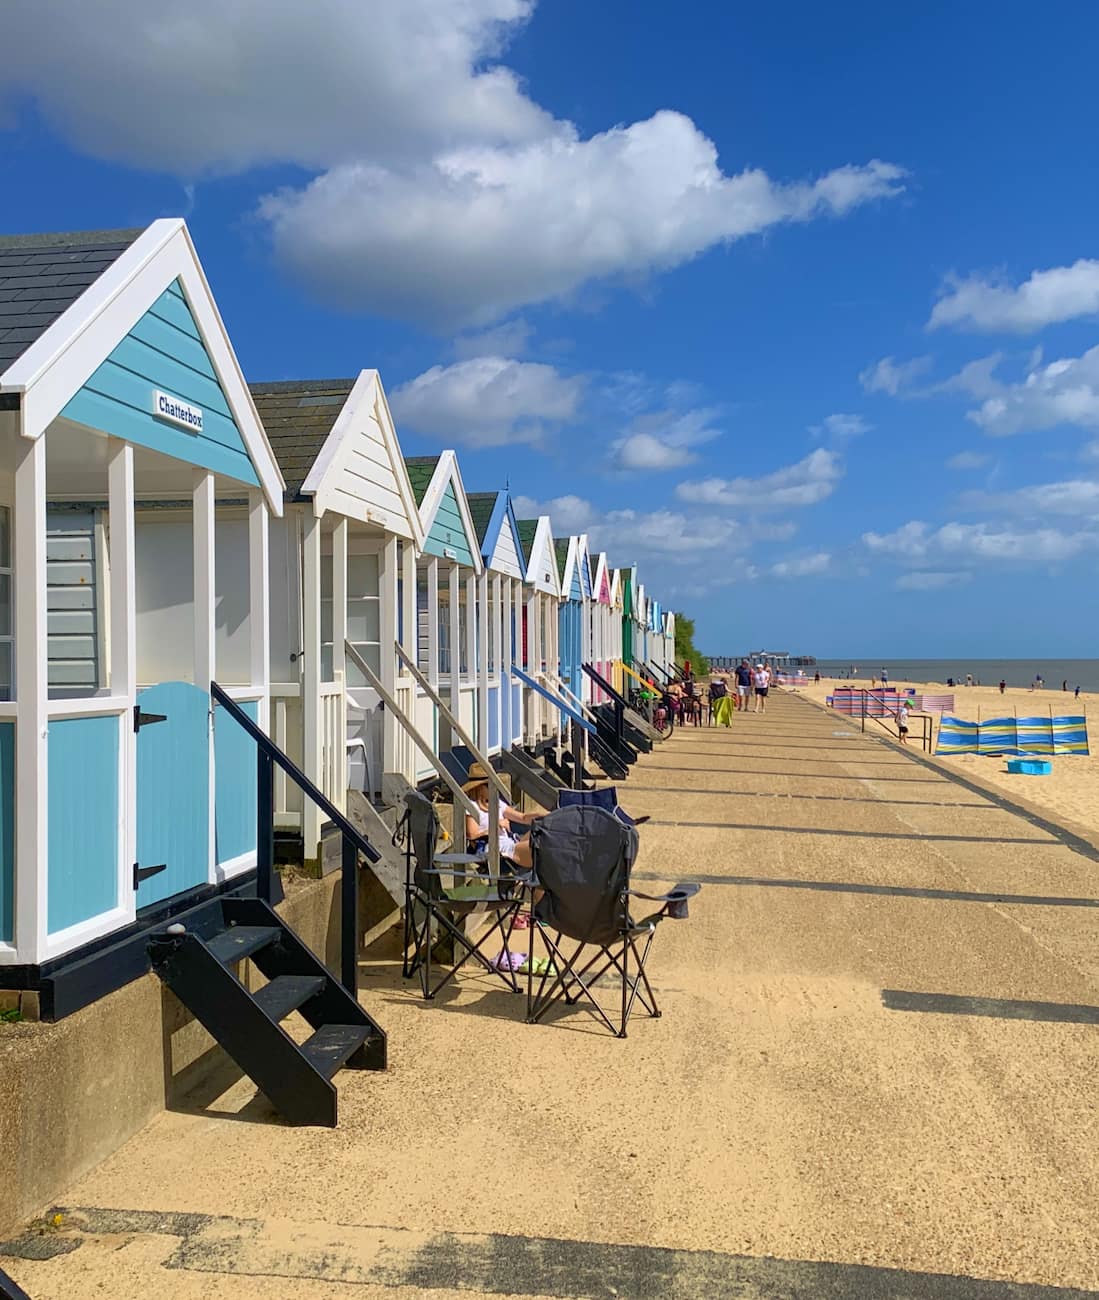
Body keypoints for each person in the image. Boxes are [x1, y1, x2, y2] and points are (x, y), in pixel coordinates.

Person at [463, 763, 544, 872]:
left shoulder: (495, 802)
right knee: (540, 847)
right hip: (495, 850)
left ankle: (539, 886)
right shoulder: (472, 806)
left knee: (542, 831)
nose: (493, 788)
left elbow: (523, 817)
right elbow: (472, 835)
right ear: (479, 788)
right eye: (488, 785)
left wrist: (545, 815)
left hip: (510, 843)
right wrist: (496, 825)